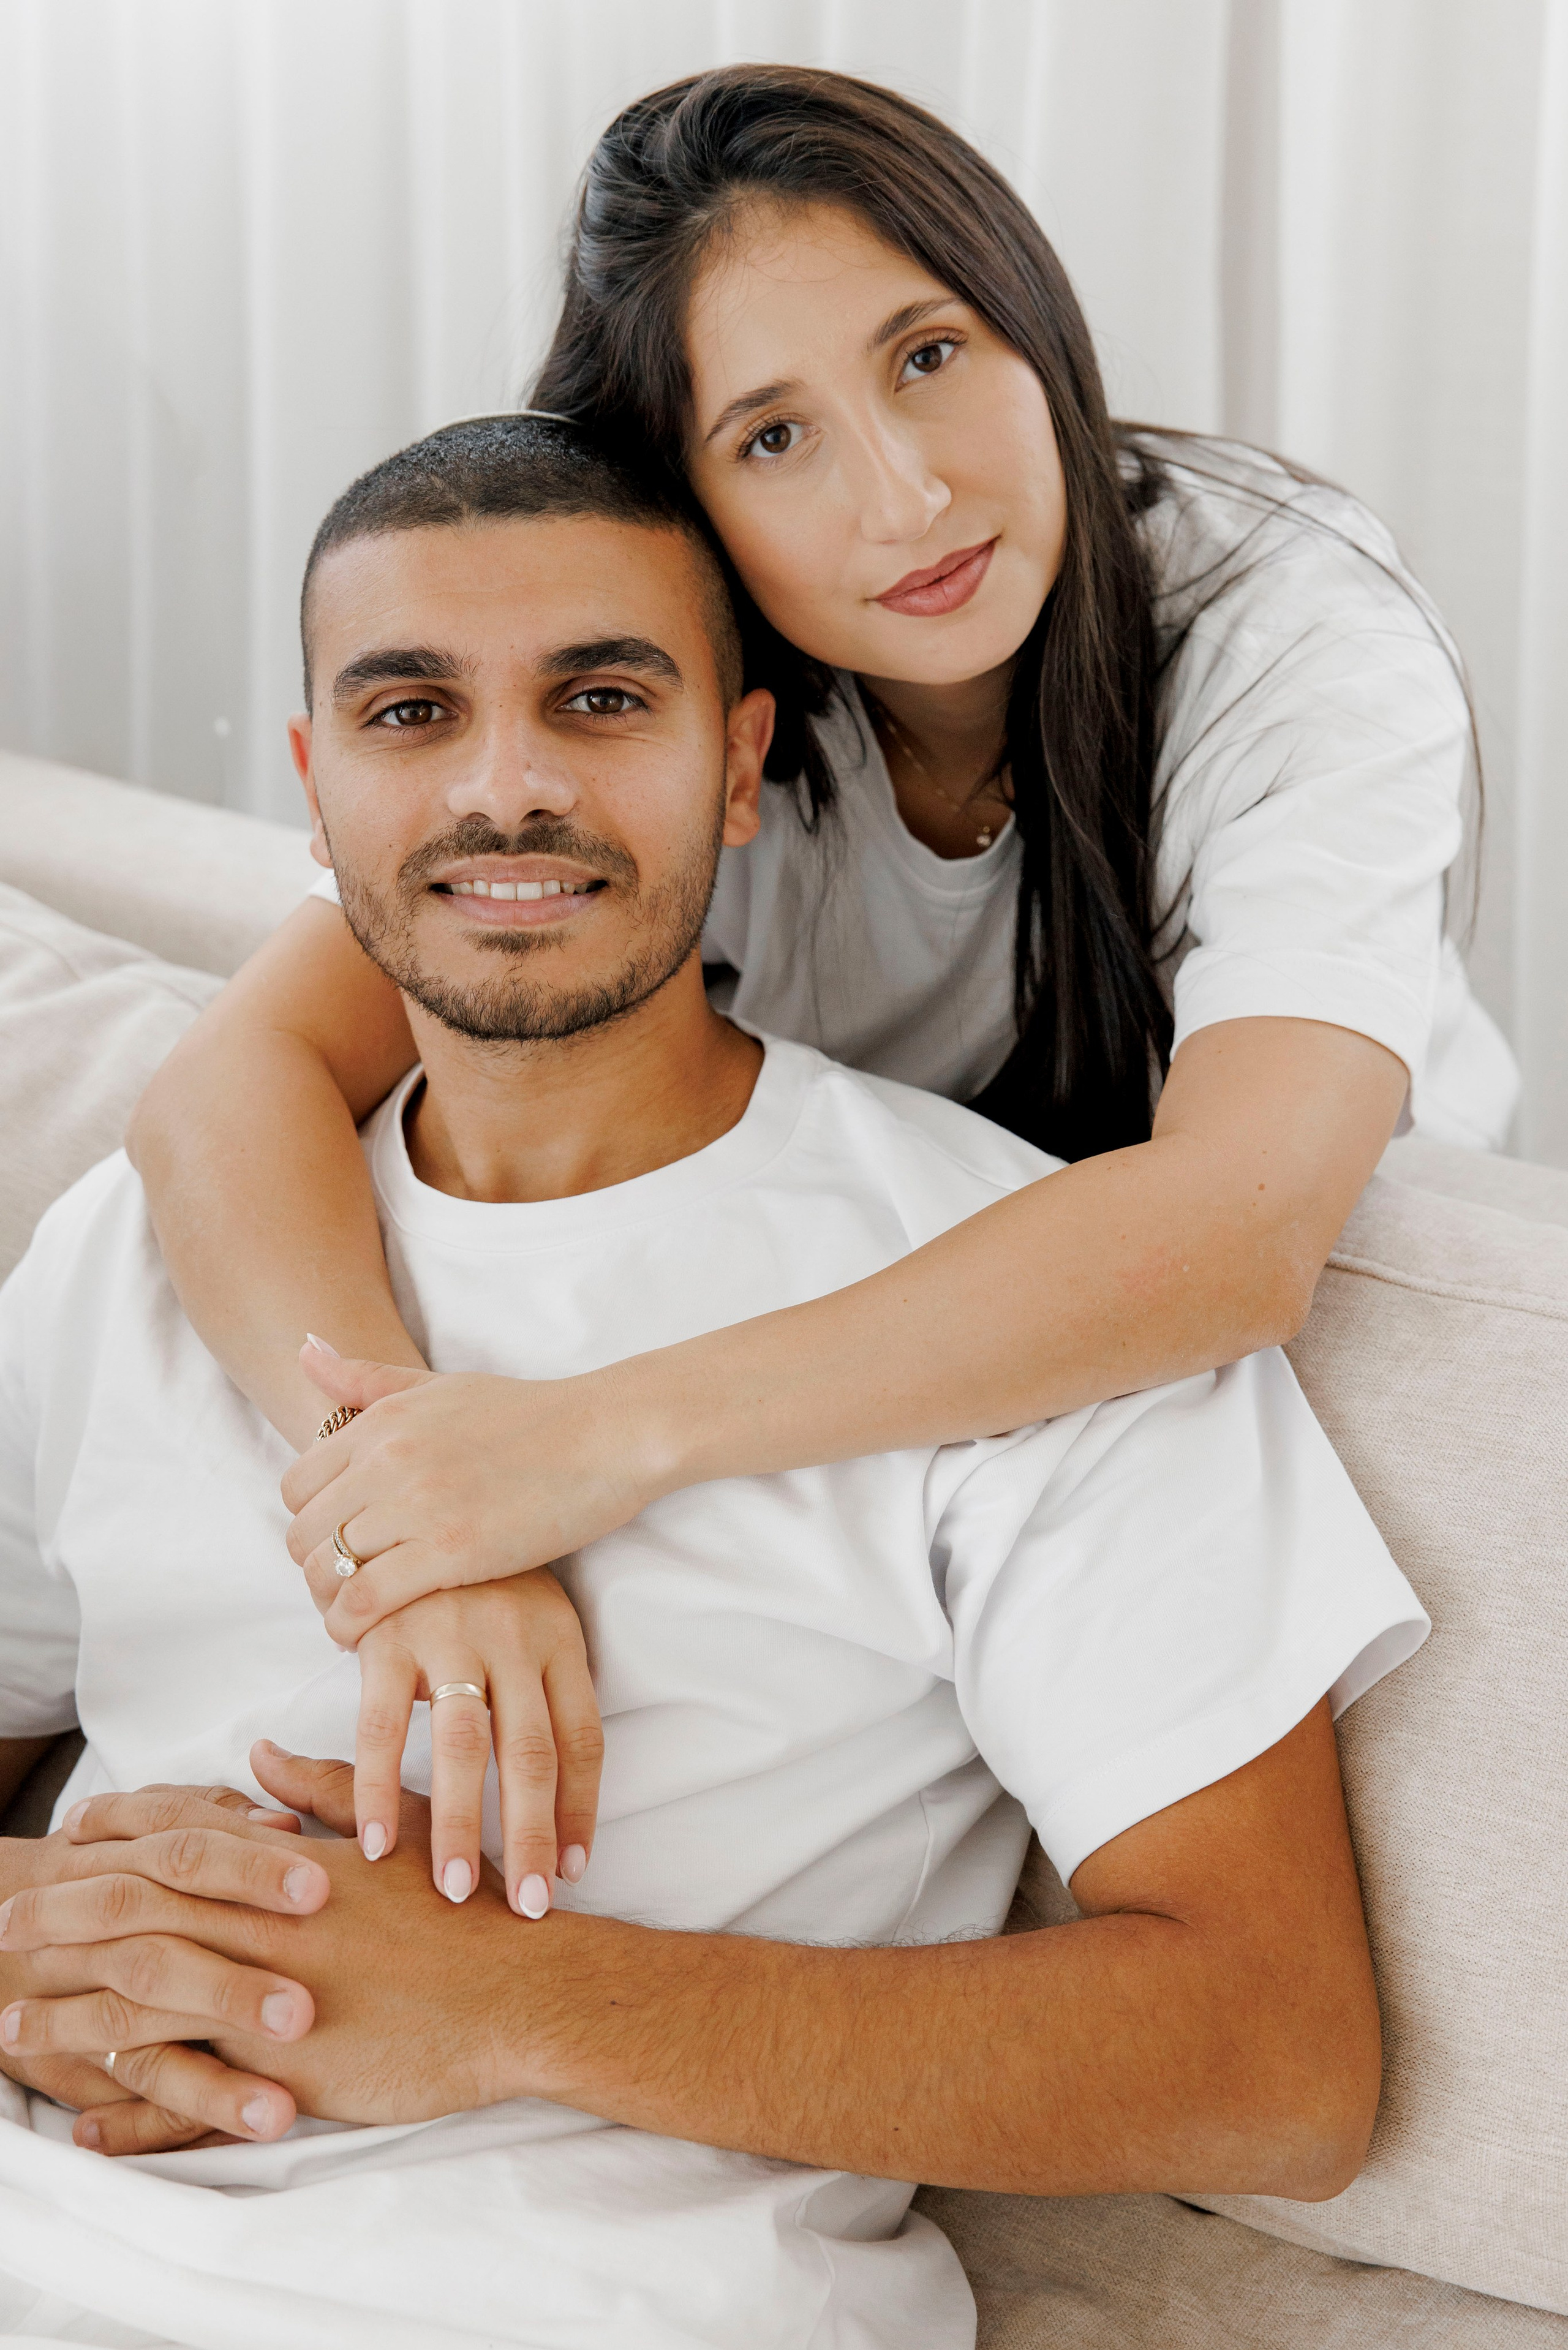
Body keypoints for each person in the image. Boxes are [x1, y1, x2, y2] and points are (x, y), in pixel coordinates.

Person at [0, 419, 1428, 2350]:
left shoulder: (1023, 1305)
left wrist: (502, 2005)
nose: (507, 790)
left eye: (600, 699)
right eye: (413, 713)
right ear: (315, 790)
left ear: (744, 768)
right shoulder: (153, 1243)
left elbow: (1276, 2062)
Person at [123, 72, 1511, 1845]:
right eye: (775, 438)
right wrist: (409, 1518)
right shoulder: (678, 704)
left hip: (1341, 1262)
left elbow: (1238, 1231)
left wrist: (577, 1444)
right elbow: (230, 1083)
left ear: (1030, 315)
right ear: (687, 505)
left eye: (929, 354)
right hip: (898, 1255)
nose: (909, 494)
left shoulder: (1277, 614)